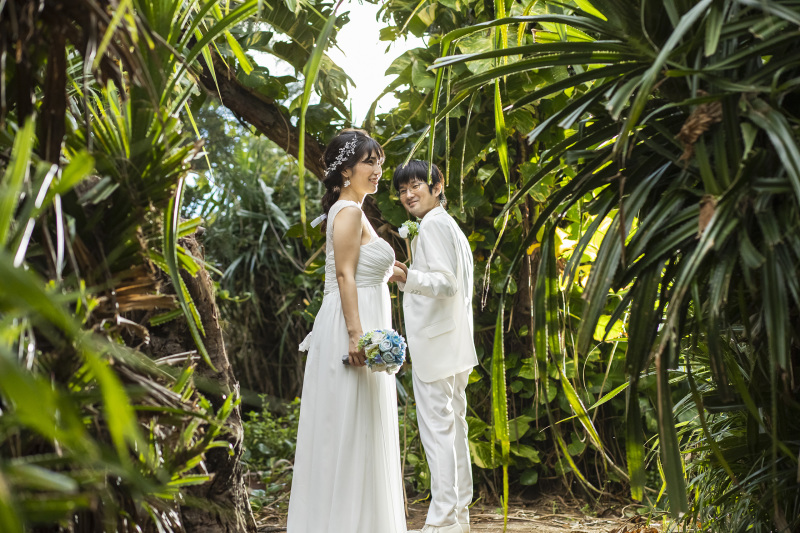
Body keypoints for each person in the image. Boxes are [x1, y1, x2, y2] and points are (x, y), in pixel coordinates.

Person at [287, 129, 407, 533]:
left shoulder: (354, 210)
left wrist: (400, 272)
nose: (378, 170)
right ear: (345, 170)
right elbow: (343, 275)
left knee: (360, 431)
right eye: (369, 162)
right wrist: (356, 336)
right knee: (348, 433)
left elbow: (366, 268)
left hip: (363, 317)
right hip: (347, 327)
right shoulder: (349, 211)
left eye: (380, 162)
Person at [392, 161, 478, 533]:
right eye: (402, 190)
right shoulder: (448, 225)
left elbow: (446, 283)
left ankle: (443, 522)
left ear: (437, 186)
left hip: (439, 347)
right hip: (453, 344)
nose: (408, 194)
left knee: (440, 432)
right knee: (453, 430)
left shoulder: (433, 226)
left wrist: (406, 275)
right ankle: (457, 518)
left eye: (415, 186)